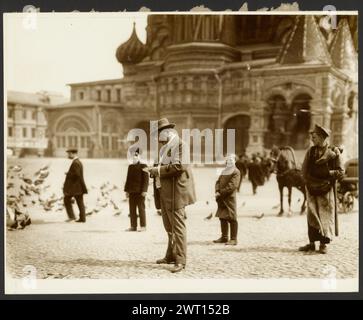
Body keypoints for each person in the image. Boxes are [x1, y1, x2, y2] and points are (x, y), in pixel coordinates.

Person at [148, 118, 196, 273]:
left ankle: (181, 260)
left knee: (178, 227)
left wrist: (157, 171)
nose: (157, 138)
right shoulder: (164, 148)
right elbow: (161, 166)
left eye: (158, 135)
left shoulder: (181, 145)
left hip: (176, 192)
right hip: (164, 191)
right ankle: (170, 255)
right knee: (169, 227)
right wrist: (152, 169)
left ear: (167, 132)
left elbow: (179, 166)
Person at [299, 124, 344, 254]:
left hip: (326, 189)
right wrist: (307, 181)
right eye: (312, 137)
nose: (312, 139)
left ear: (322, 137)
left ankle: (324, 244)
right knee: (312, 215)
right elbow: (304, 169)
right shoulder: (311, 151)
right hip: (312, 188)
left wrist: (328, 174)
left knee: (325, 215)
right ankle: (312, 243)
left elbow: (341, 172)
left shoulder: (334, 153)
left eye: (314, 137)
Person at [213, 154, 241, 245]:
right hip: (221, 198)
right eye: (228, 160)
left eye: (231, 160)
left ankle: (234, 239)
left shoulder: (236, 172)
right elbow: (218, 182)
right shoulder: (224, 170)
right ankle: (224, 237)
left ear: (235, 161)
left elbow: (232, 186)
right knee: (222, 217)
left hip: (229, 199)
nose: (229, 162)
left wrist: (220, 192)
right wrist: (217, 190)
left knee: (232, 218)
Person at [124, 149, 149, 232]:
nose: (134, 158)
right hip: (131, 192)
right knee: (132, 209)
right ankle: (133, 226)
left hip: (140, 192)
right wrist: (126, 191)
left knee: (141, 209)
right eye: (133, 157)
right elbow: (128, 179)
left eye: (136, 156)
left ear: (139, 157)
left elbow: (146, 180)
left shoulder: (144, 166)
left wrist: (144, 190)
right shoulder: (130, 167)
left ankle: (143, 226)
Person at [63, 148, 88, 223]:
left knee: (67, 200)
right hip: (78, 186)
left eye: (69, 153)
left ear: (73, 154)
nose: (68, 155)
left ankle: (72, 217)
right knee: (80, 202)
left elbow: (77, 174)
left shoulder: (75, 163)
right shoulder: (78, 162)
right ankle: (82, 218)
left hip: (75, 187)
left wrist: (68, 174)